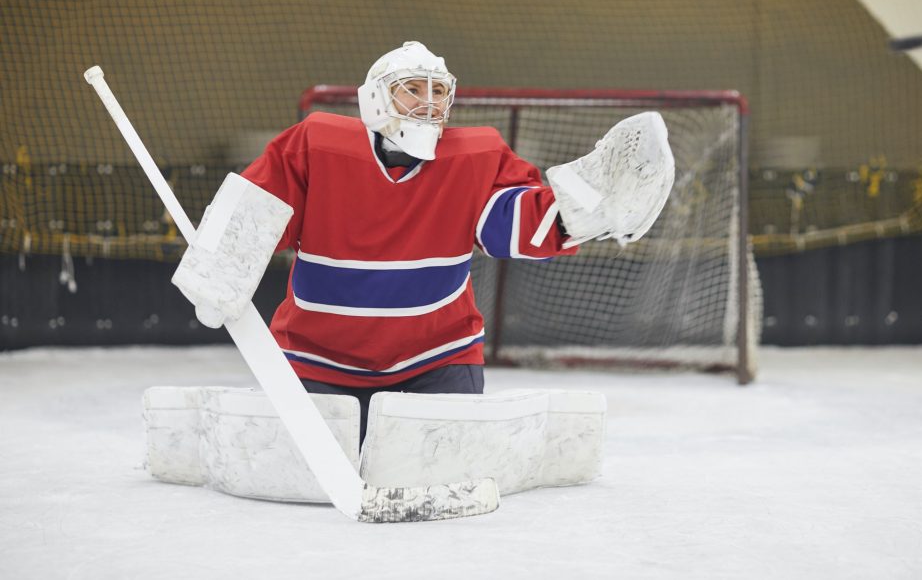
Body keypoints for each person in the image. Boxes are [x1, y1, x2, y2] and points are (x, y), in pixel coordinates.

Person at [172, 41, 674, 443]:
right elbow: (254, 221)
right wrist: (218, 263)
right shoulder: (315, 147)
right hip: (317, 359)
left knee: (444, 472)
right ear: (375, 99)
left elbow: (515, 225)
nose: (430, 102)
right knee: (300, 473)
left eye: (439, 92)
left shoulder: (474, 158)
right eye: (413, 89)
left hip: (436, 361)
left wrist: (582, 210)